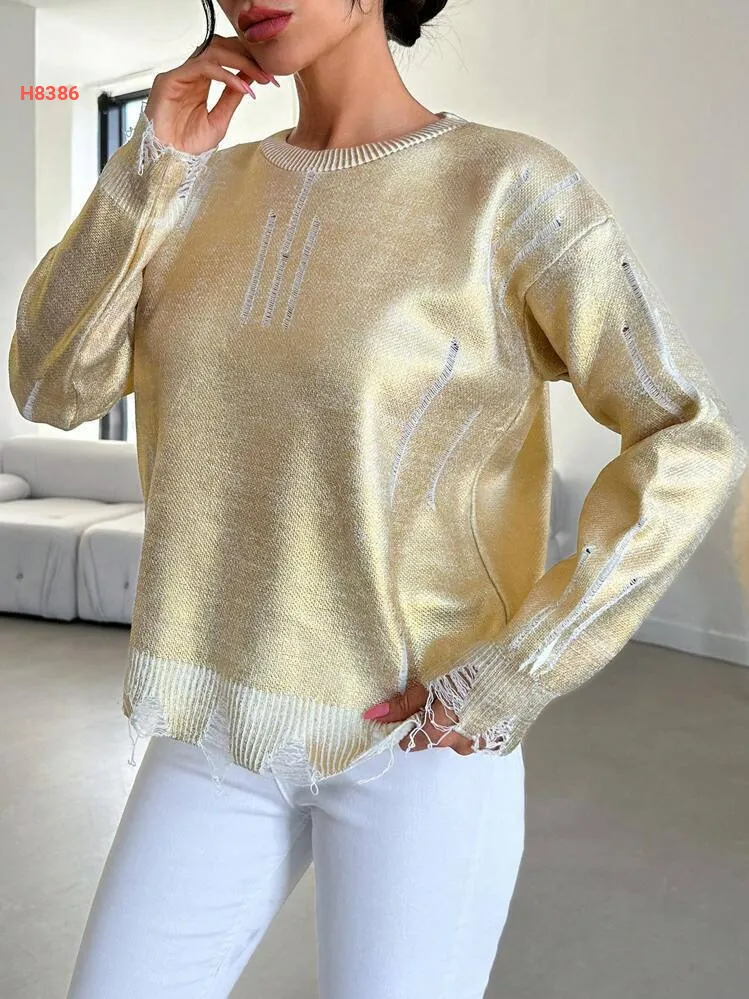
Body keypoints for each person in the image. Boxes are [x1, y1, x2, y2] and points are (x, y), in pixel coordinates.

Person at [8, 1, 746, 996]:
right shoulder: (191, 186)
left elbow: (685, 433)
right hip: (211, 718)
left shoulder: (506, 188)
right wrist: (151, 166)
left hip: (413, 743)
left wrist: (517, 669)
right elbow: (51, 384)